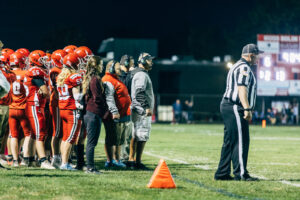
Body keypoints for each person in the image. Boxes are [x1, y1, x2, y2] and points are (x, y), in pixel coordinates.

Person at [214, 44, 261, 181]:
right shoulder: (244, 67)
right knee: (241, 140)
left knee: (229, 141)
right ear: (251, 55)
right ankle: (241, 174)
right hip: (235, 106)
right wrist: (247, 108)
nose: (258, 58)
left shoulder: (237, 65)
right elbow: (242, 88)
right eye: (257, 55)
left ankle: (222, 173)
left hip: (229, 105)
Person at [25, 50, 55, 169]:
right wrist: (47, 94)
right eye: (42, 59)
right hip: (34, 104)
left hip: (37, 105)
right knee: (40, 133)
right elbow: (45, 91)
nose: (45, 62)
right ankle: (43, 160)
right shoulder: (35, 71)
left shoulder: (39, 71)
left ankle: (31, 160)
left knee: (34, 134)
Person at [102, 60, 131, 169]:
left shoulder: (115, 79)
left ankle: (117, 159)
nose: (120, 70)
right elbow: (109, 98)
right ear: (111, 68)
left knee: (119, 139)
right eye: (118, 68)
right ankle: (110, 160)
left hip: (122, 114)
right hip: (114, 115)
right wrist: (114, 111)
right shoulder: (108, 80)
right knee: (111, 138)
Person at [57, 53, 83, 170]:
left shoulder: (61, 76)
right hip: (71, 110)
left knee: (65, 137)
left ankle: (64, 162)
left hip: (63, 109)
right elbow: (77, 96)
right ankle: (64, 163)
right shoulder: (73, 77)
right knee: (71, 138)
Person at [82, 55, 107, 174]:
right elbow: (97, 98)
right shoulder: (95, 79)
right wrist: (105, 108)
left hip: (91, 113)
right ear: (96, 66)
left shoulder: (91, 78)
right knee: (91, 143)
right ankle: (90, 167)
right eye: (101, 64)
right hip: (93, 113)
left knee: (92, 142)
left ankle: (90, 166)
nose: (102, 66)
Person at [129, 52, 155, 170]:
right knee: (141, 136)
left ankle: (132, 160)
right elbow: (139, 92)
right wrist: (146, 107)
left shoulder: (137, 73)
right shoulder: (142, 75)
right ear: (143, 61)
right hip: (141, 110)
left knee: (135, 136)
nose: (151, 62)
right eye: (149, 60)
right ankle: (137, 161)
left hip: (137, 109)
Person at [8, 52, 33, 167]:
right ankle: (26, 159)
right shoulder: (26, 73)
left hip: (11, 108)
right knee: (28, 134)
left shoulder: (8, 74)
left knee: (13, 135)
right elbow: (29, 92)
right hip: (23, 108)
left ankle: (14, 160)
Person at [49, 49, 67, 168]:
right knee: (57, 131)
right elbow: (56, 91)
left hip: (61, 103)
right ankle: (55, 157)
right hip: (56, 103)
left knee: (62, 132)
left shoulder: (60, 70)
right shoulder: (56, 71)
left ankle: (59, 156)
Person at [119, 54, 135, 162]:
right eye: (132, 64)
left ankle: (124, 156)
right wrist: (131, 74)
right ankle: (122, 157)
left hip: (125, 109)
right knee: (124, 136)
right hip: (123, 109)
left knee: (127, 135)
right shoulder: (122, 76)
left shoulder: (125, 75)